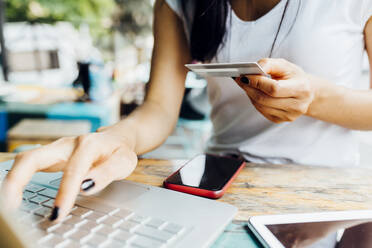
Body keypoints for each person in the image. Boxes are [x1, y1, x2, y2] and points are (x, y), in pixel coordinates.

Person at [1, 0, 372, 223]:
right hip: (218, 184)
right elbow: (159, 110)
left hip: (325, 194)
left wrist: (315, 98)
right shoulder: (179, 3)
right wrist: (111, 140)